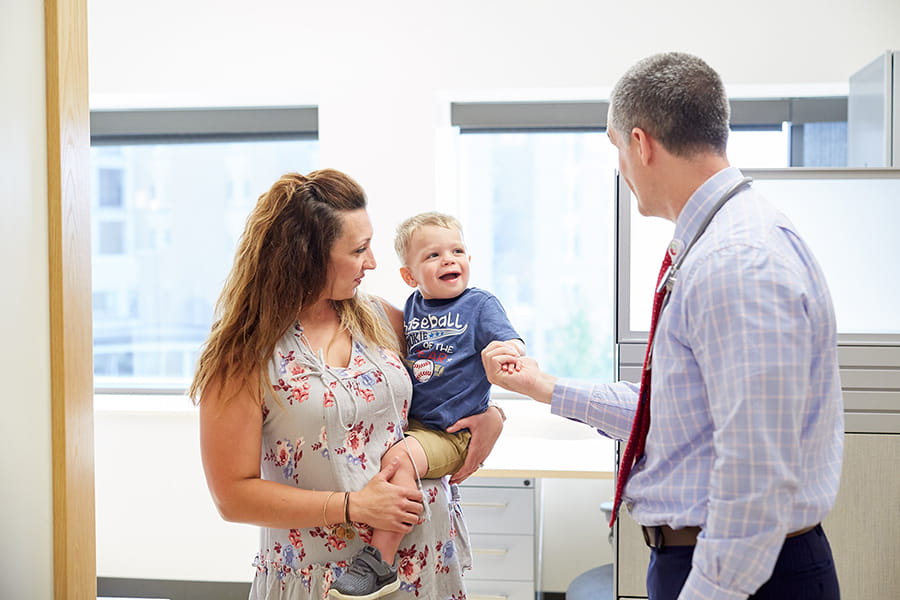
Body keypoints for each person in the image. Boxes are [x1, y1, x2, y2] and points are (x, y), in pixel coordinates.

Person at [482, 52, 843, 600]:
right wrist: (545, 387)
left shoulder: (737, 260)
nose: (620, 168)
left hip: (740, 575)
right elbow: (682, 417)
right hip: (722, 564)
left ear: (641, 143)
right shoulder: (720, 244)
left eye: (615, 149)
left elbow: (756, 476)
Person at [188, 169, 506, 600]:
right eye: (359, 250)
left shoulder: (382, 319)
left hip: (425, 565)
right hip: (322, 579)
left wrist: (493, 416)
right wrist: (354, 506)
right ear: (306, 257)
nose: (372, 263)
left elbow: (451, 379)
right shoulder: (244, 356)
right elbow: (232, 496)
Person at [330, 211, 525, 599]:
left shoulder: (480, 304)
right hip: (418, 426)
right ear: (410, 275)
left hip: (449, 431)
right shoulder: (413, 307)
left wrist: (508, 355)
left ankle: (377, 563)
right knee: (398, 456)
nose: (450, 260)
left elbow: (511, 341)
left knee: (400, 459)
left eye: (457, 250)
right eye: (433, 255)